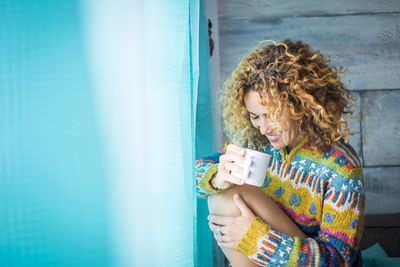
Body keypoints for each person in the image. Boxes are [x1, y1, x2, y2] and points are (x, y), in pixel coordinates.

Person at [195, 39, 364, 266]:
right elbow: (193, 175)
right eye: (255, 116)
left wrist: (258, 239)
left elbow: (338, 261)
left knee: (227, 198)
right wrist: (218, 177)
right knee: (222, 192)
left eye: (271, 114)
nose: (264, 129)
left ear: (300, 104)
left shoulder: (341, 167)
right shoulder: (253, 142)